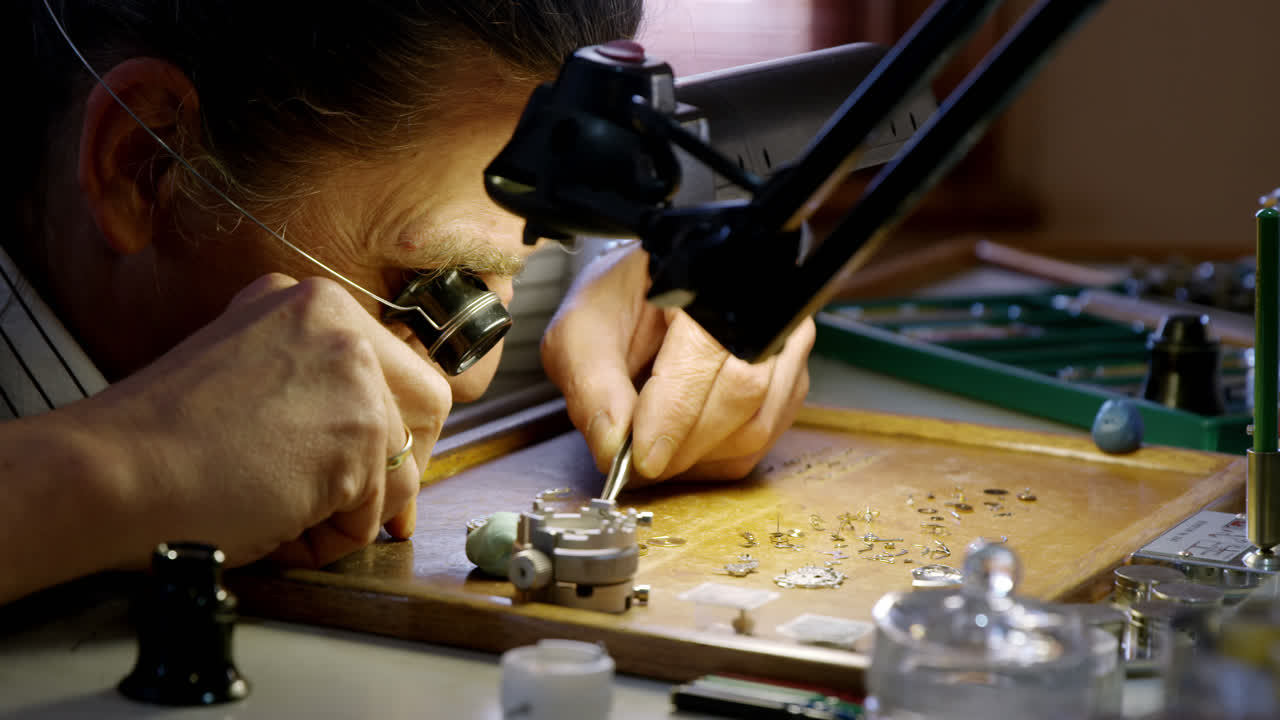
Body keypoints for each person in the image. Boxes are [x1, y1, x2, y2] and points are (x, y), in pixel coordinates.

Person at [1, 1, 814, 605]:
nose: (470, 381)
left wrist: (628, 267)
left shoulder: (411, 209)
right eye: (439, 291)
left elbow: (485, 223)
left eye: (516, 270)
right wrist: (116, 470)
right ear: (147, 163)